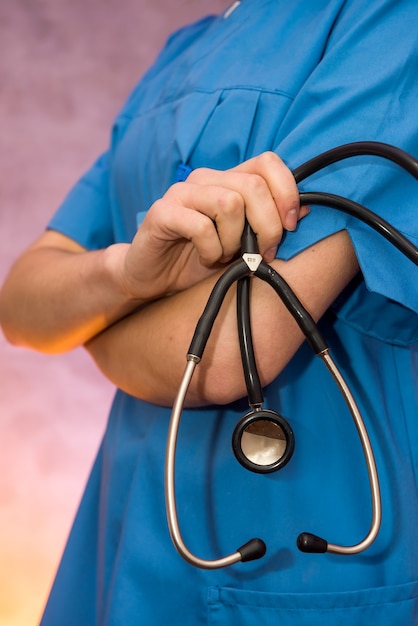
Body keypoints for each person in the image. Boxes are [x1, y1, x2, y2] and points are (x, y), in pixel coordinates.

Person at [0, 0, 417, 623]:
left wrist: (94, 319)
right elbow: (23, 306)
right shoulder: (182, 50)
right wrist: (126, 274)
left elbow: (228, 352)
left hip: (303, 548)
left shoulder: (392, 23)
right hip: (128, 534)